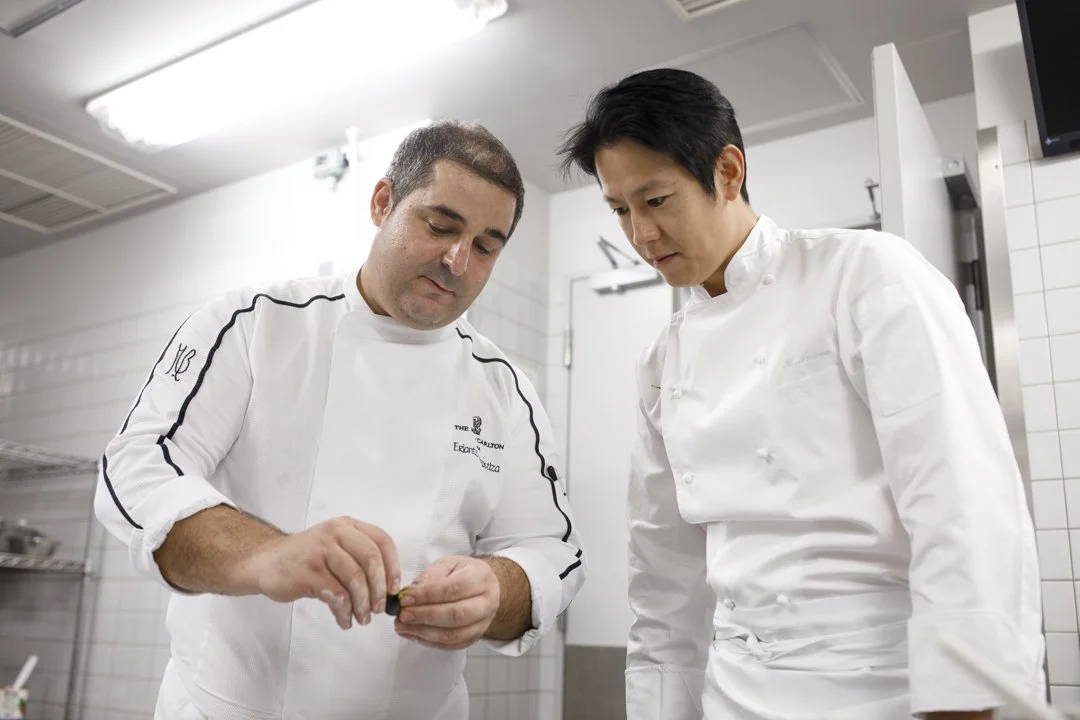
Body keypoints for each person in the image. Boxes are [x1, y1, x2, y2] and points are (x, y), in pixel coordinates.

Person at [559, 68, 1043, 720]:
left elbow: (961, 492)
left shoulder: (865, 274)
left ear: (727, 172)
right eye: (620, 210)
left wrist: (965, 699)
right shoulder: (661, 360)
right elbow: (663, 575)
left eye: (656, 200)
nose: (641, 235)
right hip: (734, 689)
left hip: (884, 680)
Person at [95, 119, 585, 720]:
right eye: (440, 226)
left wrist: (498, 589)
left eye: (485, 247)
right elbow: (138, 466)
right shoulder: (255, 325)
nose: (457, 261)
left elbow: (551, 549)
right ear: (382, 203)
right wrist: (268, 556)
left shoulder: (504, 388)